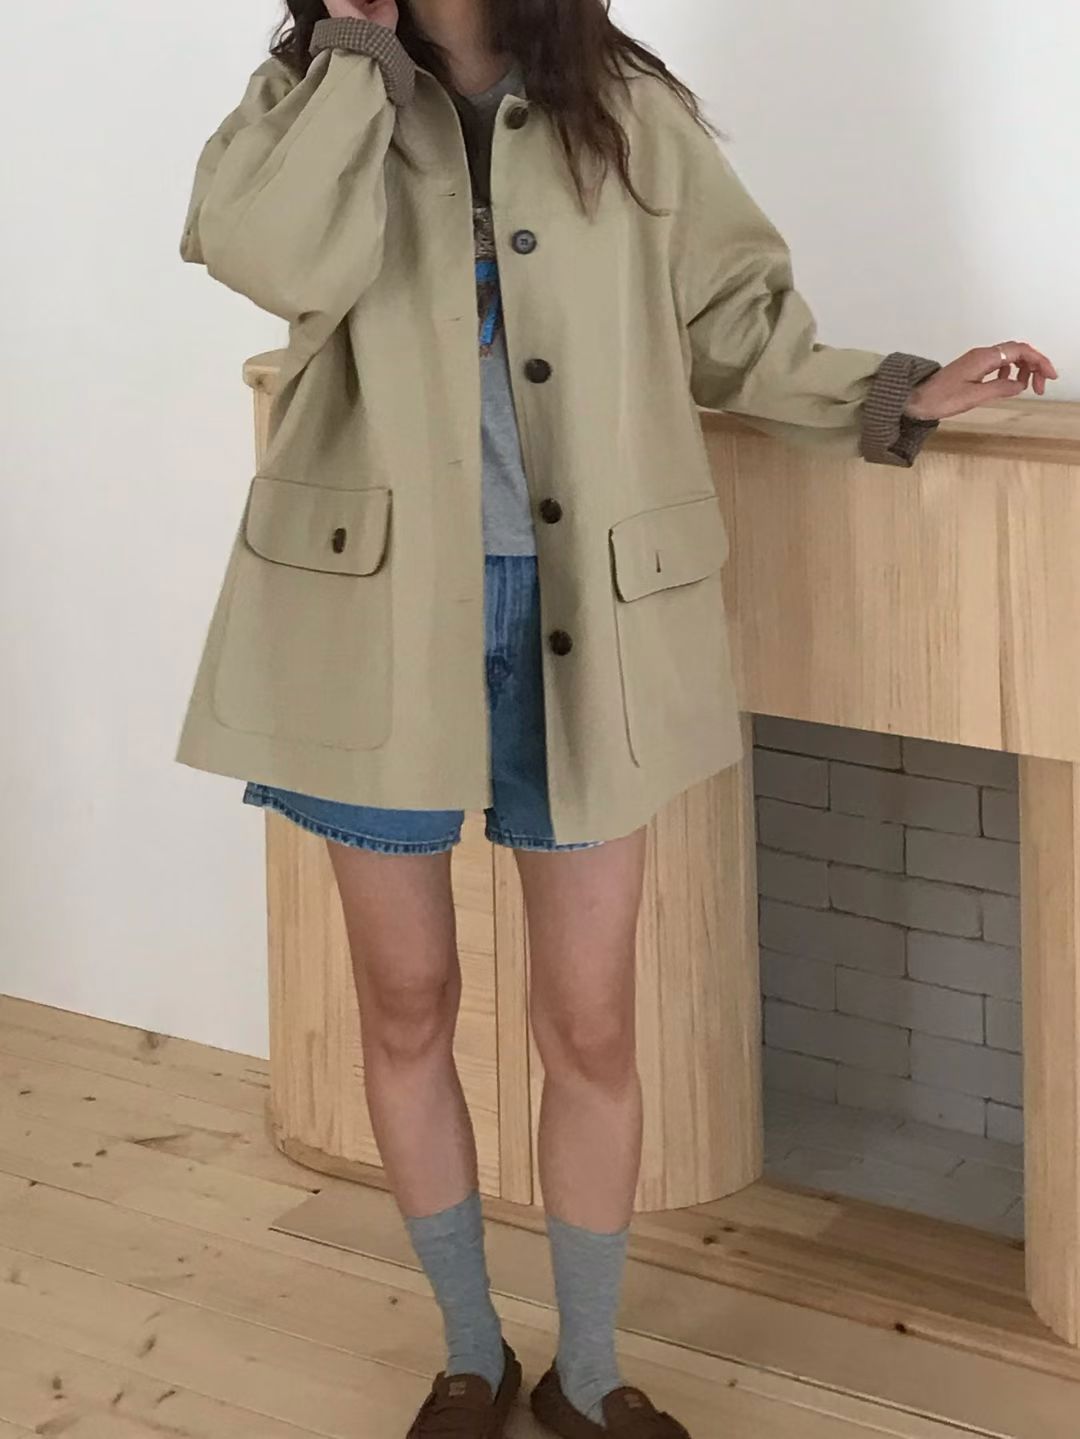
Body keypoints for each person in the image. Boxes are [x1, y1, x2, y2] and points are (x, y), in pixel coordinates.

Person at [178, 1, 1057, 1434]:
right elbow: (274, 262)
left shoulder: (625, 105)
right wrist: (349, 59)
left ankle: (588, 1375)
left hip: (587, 618)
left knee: (590, 1026)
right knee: (407, 1003)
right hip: (368, 618)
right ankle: (470, 1352)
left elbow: (734, 323)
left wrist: (898, 392)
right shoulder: (308, 98)